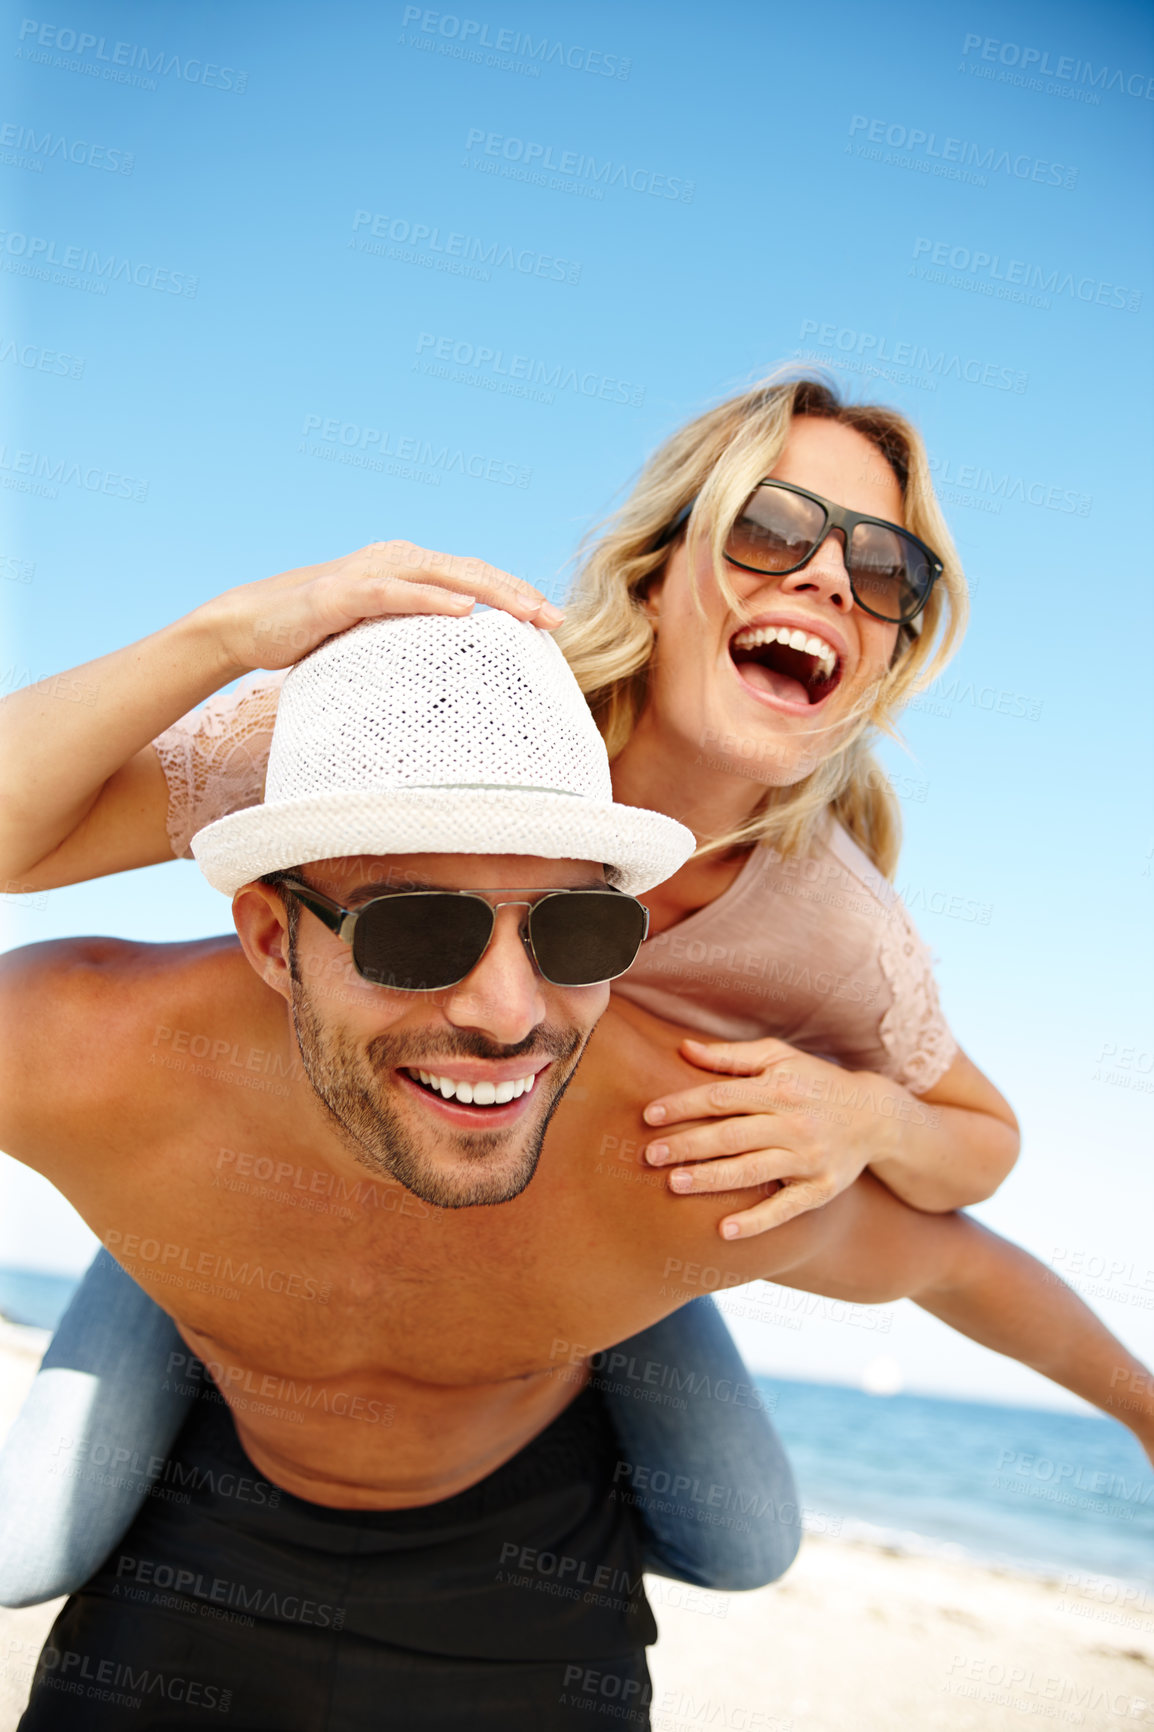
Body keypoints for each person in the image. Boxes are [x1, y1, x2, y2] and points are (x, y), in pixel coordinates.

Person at [0, 372, 1067, 1612]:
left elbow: (978, 1153)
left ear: (890, 644)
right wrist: (233, 632)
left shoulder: (832, 921)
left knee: (746, 1540)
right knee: (25, 1550)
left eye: (886, 570)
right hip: (295, 1167)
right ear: (660, 570)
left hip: (584, 1204)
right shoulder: (448, 715)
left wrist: (869, 1117)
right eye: (773, 531)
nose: (828, 579)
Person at [2, 610, 1152, 1731]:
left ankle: (621, 1315)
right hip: (212, 1470)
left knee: (748, 1541)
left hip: (529, 1517)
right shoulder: (84, 1054)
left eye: (575, 932)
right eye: (415, 929)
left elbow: (948, 1265)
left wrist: (1143, 1411)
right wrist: (219, 633)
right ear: (269, 938)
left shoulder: (674, 1146)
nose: (507, 1014)